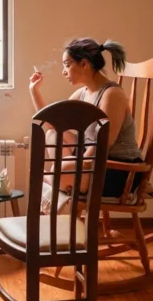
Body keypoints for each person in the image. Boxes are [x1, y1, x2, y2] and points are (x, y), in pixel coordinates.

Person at [29, 37, 143, 200]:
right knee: (53, 134)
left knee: (60, 169)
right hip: (94, 161)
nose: (64, 71)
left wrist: (66, 167)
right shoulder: (84, 92)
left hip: (118, 170)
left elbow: (102, 144)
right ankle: (64, 179)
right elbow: (52, 123)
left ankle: (58, 179)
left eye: (67, 65)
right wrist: (34, 90)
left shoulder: (112, 94)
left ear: (84, 63)